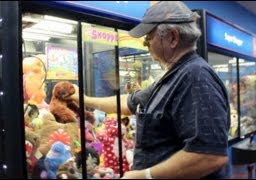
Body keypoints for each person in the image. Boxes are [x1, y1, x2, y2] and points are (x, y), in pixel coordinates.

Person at [68, 1, 230, 178]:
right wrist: (82, 98)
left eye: (149, 38)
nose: (146, 44)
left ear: (173, 38)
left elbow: (209, 156)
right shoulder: (174, 76)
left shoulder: (195, 77)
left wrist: (145, 175)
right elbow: (128, 102)